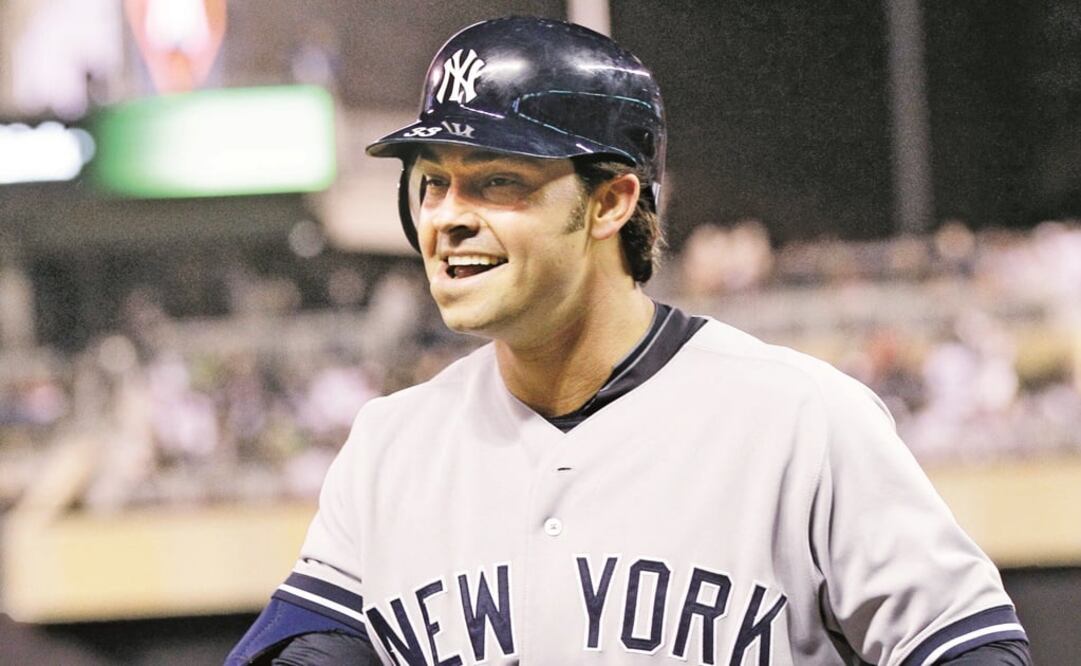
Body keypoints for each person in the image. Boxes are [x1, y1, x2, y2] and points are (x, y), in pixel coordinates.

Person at [227, 16, 1031, 665]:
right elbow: (307, 648)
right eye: (433, 180)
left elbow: (969, 647)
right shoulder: (390, 446)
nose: (448, 214)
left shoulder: (801, 420)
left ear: (611, 202)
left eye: (497, 180)